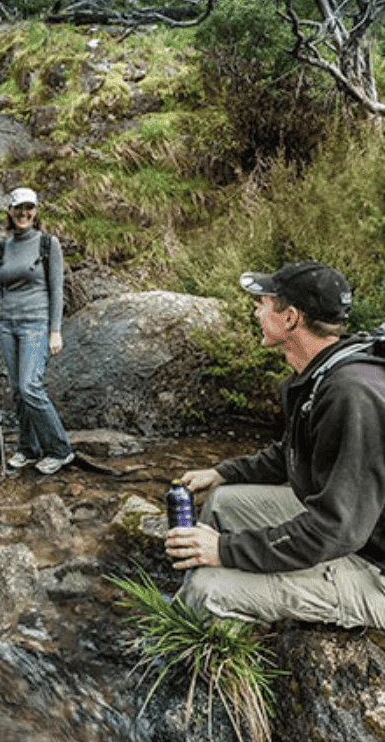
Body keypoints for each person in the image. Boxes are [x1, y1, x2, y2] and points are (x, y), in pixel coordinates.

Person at [165, 260, 385, 628]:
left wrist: (224, 550)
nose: (255, 310)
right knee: (222, 502)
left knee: (208, 589)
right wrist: (223, 473)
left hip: (373, 567)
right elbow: (292, 453)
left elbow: (335, 529)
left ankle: (196, 635)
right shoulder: (323, 372)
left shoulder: (350, 395)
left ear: (291, 318)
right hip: (354, 531)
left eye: (263, 303)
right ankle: (210, 611)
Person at [0, 187, 74, 475]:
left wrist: (55, 330)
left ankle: (60, 450)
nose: (24, 213)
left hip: (36, 324)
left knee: (30, 387)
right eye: (18, 208)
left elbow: (57, 290)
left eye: (29, 208)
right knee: (18, 391)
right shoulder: (3, 247)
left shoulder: (48, 244)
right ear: (10, 211)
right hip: (7, 325)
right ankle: (28, 448)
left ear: (35, 211)